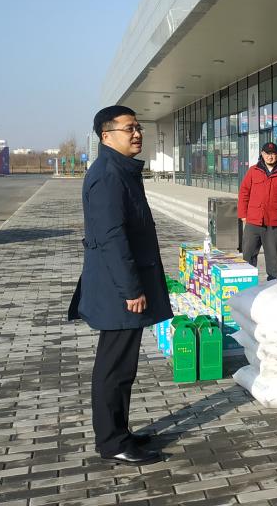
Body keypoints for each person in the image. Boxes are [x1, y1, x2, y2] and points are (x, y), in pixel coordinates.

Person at [68, 105, 172, 465]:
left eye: (138, 127)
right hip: (119, 289)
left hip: (122, 283)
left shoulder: (120, 170)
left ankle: (119, 432)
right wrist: (131, 289)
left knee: (121, 365)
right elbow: (111, 237)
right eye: (129, 129)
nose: (137, 134)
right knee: (115, 367)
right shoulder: (108, 175)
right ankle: (112, 442)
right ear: (106, 135)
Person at [237, 142, 277, 280]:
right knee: (248, 254)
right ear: (262, 154)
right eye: (267, 153)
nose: (270, 157)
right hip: (253, 220)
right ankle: (248, 283)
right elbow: (244, 192)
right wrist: (242, 214)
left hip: (273, 222)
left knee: (273, 256)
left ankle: (273, 284)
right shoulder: (253, 170)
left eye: (273, 154)